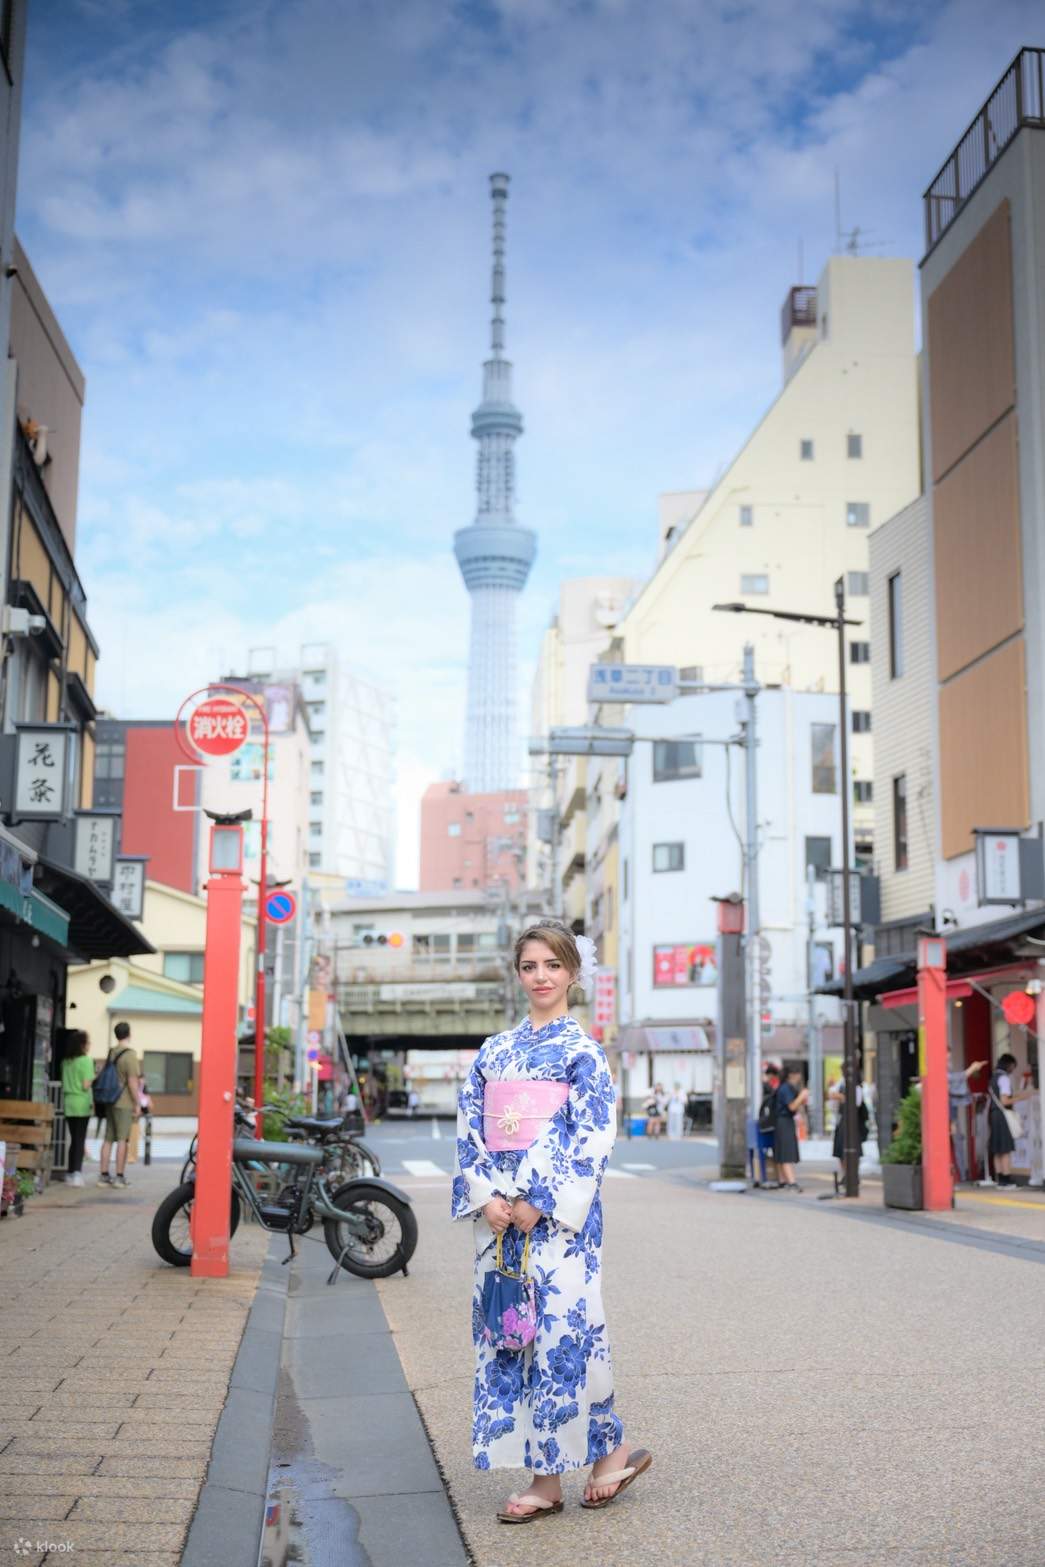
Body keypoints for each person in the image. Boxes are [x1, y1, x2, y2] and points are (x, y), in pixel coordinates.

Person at [452, 918, 652, 1524]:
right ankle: (598, 1456)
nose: (541, 977)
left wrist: (539, 1197)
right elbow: (470, 1126)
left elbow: (591, 1137)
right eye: (530, 966)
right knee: (513, 1334)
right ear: (519, 975)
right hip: (502, 1222)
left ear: (572, 973)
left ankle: (556, 1477)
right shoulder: (494, 1051)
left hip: (561, 1221)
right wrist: (486, 1194)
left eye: (552, 965)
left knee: (565, 1335)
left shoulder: (583, 1054)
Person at [98, 1021, 142, 1189]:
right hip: (124, 1102)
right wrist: (137, 1103)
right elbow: (132, 1081)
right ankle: (119, 1176)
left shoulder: (112, 1052)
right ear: (129, 1034)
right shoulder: (130, 1055)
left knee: (108, 1138)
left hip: (109, 1100)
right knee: (122, 1139)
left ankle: (103, 1175)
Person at [61, 1030, 94, 1188]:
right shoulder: (86, 1061)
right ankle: (77, 1173)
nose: (89, 1046)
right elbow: (85, 1084)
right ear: (82, 1045)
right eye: (88, 1043)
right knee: (80, 1139)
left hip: (68, 1102)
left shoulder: (65, 1062)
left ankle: (69, 1172)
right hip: (81, 1103)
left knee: (74, 1139)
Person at [828, 1072, 870, 1193]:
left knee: (852, 1150)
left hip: (853, 1122)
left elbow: (855, 1102)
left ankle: (853, 1176)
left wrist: (840, 1097)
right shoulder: (841, 1084)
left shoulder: (857, 1088)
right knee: (840, 1151)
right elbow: (832, 1099)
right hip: (842, 1121)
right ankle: (846, 1175)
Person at [988, 1052, 1022, 1186]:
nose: (1013, 1069)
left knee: (997, 1148)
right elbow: (1005, 1101)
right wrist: (1022, 1097)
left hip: (994, 1114)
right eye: (1013, 1066)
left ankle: (1000, 1179)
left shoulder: (993, 1077)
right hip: (1003, 1115)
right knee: (1005, 1148)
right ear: (1009, 1065)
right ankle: (1006, 1179)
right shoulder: (1004, 1078)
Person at [774, 1067, 809, 1191]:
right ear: (791, 1075)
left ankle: (783, 1181)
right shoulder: (786, 1088)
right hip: (784, 1121)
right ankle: (791, 1182)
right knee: (786, 1152)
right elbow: (792, 1106)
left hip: (782, 1121)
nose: (799, 1077)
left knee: (782, 1151)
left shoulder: (785, 1087)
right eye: (798, 1073)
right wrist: (802, 1095)